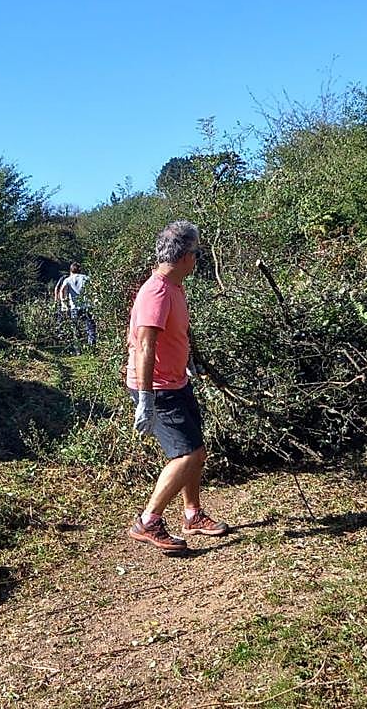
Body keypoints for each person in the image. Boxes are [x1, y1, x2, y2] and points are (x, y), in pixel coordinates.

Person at [125, 220, 231, 553]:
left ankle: (192, 514)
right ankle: (148, 521)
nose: (197, 259)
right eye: (196, 253)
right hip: (158, 388)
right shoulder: (156, 291)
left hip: (176, 381)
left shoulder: (174, 286)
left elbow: (176, 333)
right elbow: (145, 345)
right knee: (187, 454)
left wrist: (189, 360)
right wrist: (145, 398)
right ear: (184, 256)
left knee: (195, 450)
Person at [59, 262, 97, 347]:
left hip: (74, 307)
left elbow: (62, 291)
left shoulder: (68, 280)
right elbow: (94, 288)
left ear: (71, 270)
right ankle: (92, 347)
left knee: (75, 328)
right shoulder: (86, 278)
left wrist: (63, 303)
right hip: (86, 306)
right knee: (90, 327)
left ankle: (77, 348)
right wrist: (95, 299)